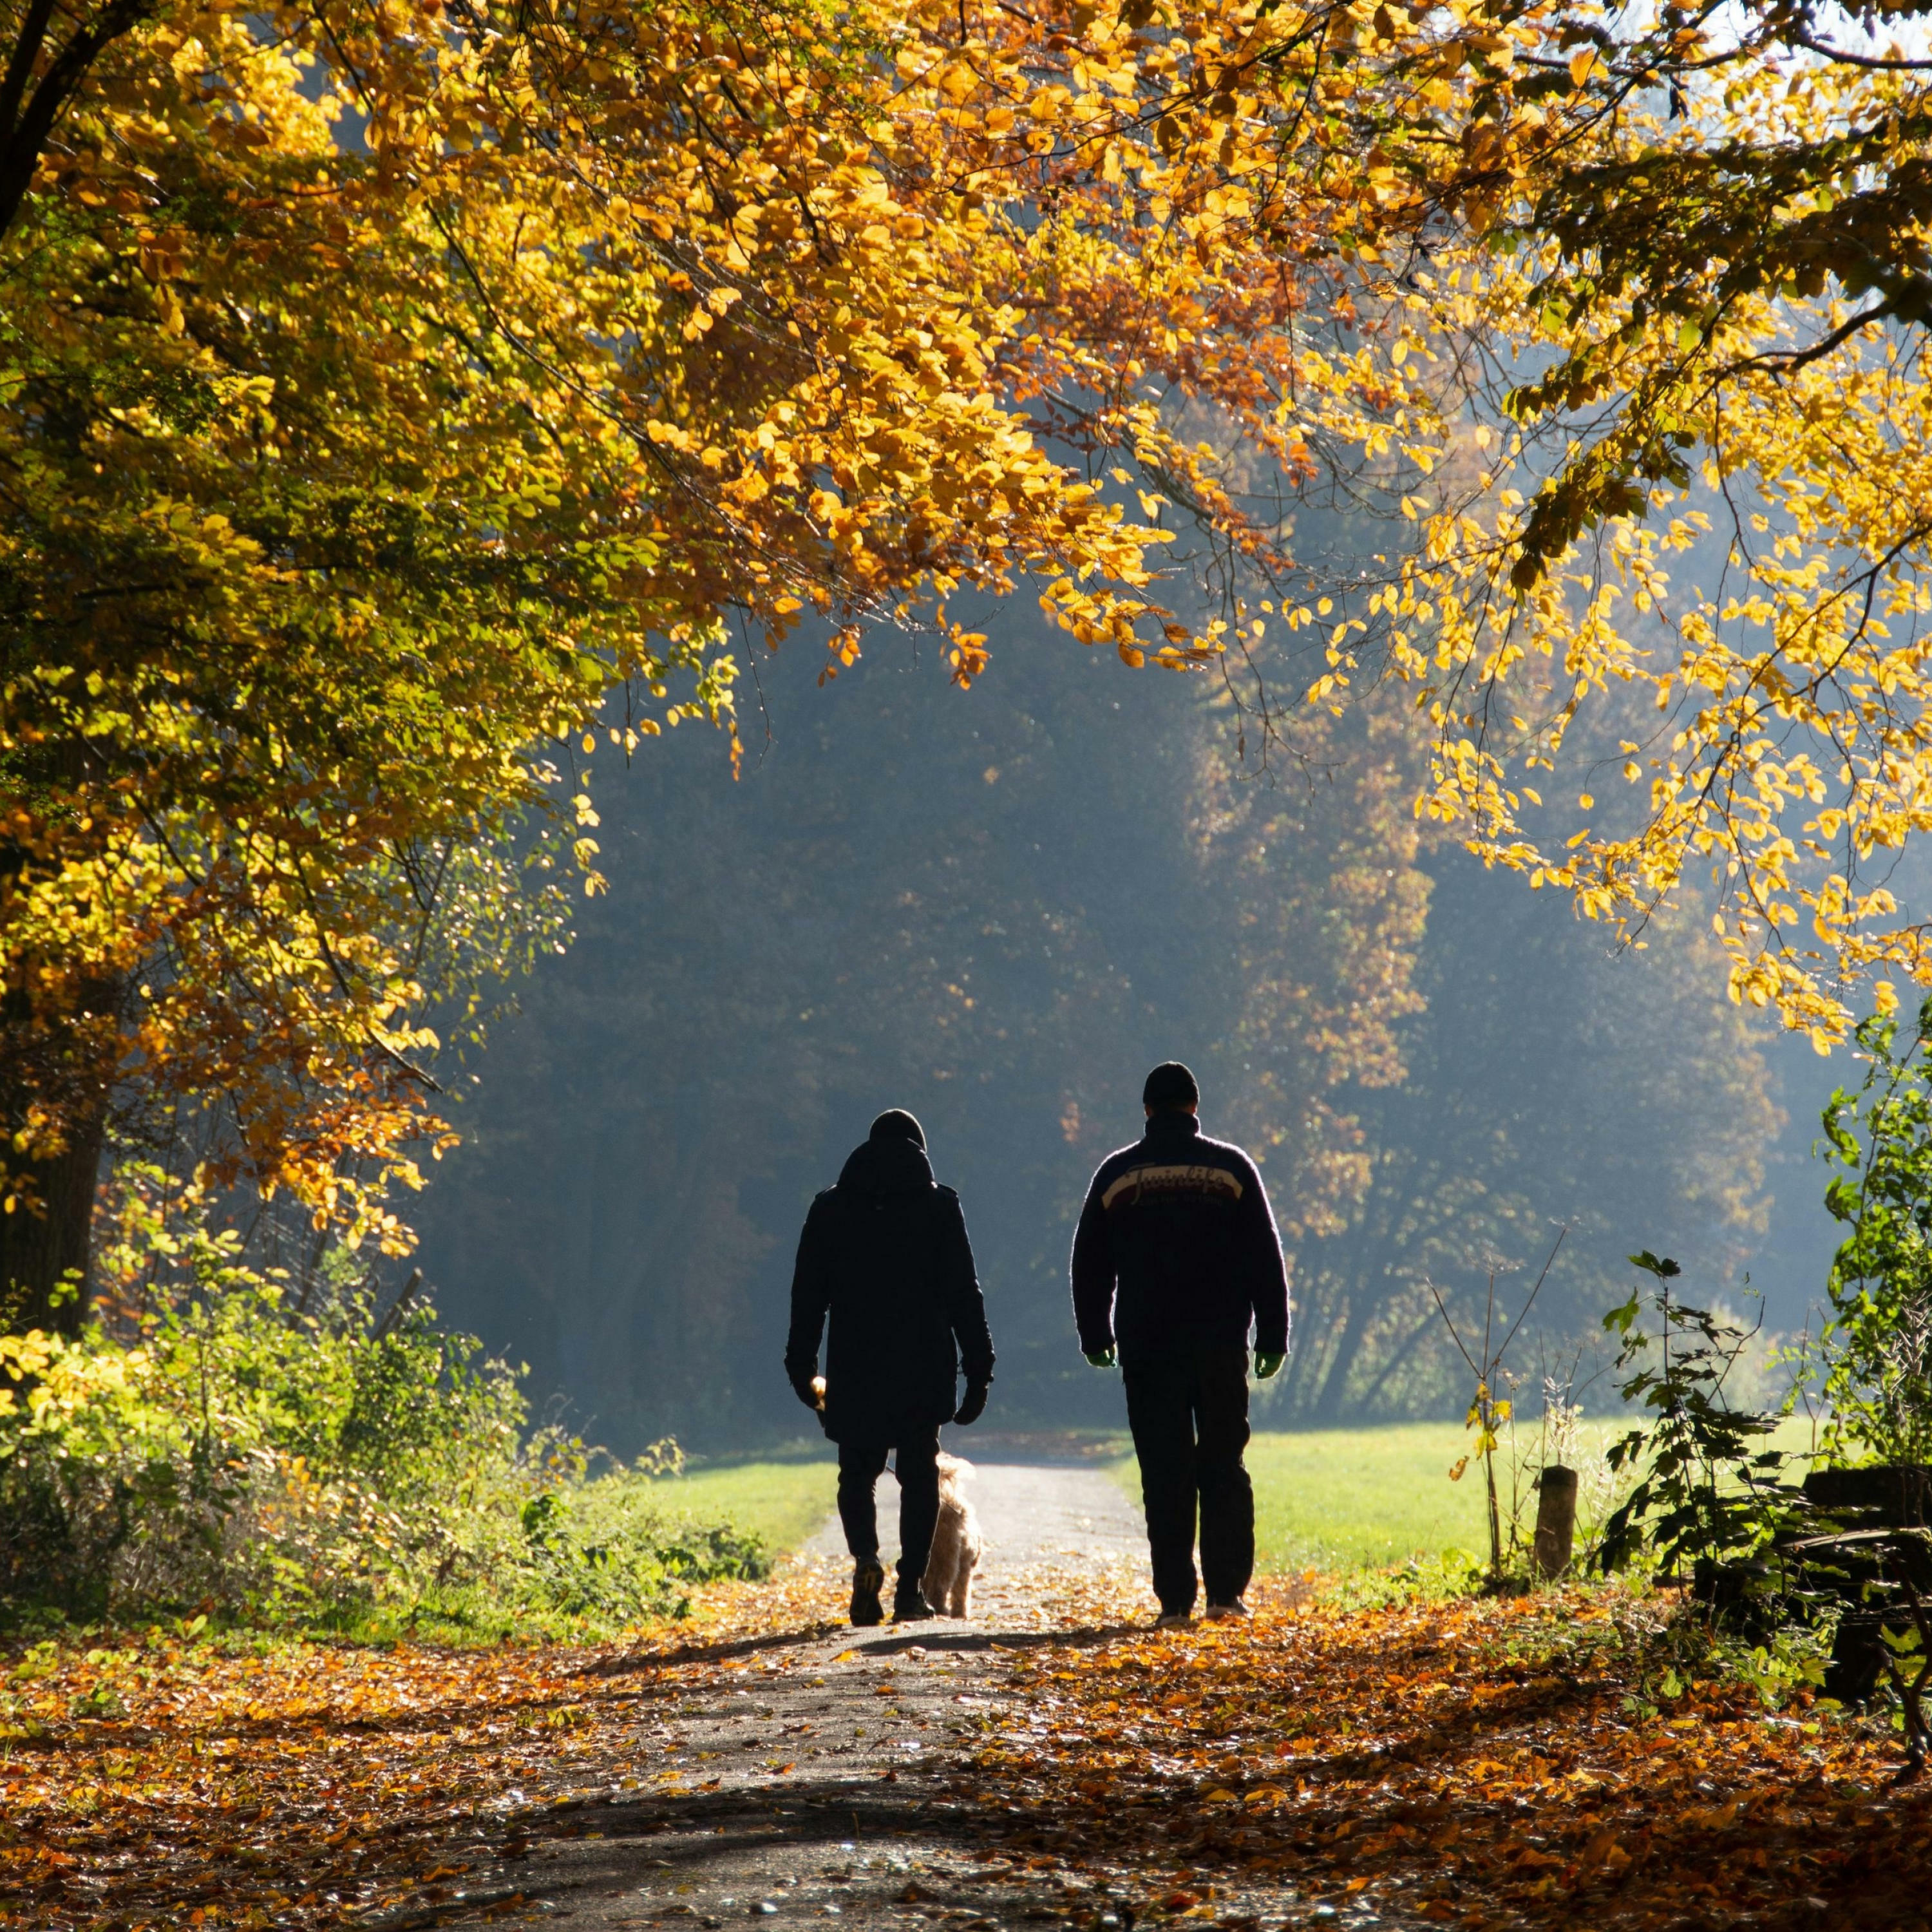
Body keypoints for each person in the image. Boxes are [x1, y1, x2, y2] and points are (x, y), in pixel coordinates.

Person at [1070, 1061, 1289, 1626]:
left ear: (1146, 1111)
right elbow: (1265, 1256)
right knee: (1224, 1464)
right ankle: (1226, 1596)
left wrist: (1095, 1332)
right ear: (1195, 1106)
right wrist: (1273, 1334)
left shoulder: (1117, 1174)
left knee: (1164, 1470)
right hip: (1219, 1344)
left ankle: (1174, 1602)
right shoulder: (1231, 1168)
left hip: (1148, 1345)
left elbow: (1089, 1262)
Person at [785, 1109, 994, 1626]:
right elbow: (964, 1293)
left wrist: (800, 1363)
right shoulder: (940, 1206)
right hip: (923, 1362)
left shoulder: (829, 1209)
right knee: (919, 1473)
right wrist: (979, 1367)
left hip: (856, 1363)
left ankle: (865, 1563)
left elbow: (808, 1295)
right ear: (919, 1152)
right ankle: (910, 1589)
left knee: (856, 1472)